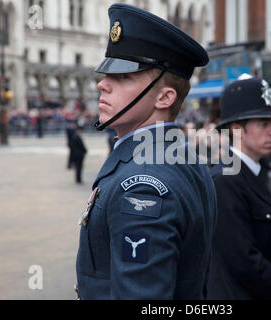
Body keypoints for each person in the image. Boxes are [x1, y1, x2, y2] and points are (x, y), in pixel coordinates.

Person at [75, 3, 217, 300]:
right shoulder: (179, 156)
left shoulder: (142, 184)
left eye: (124, 77)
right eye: (106, 74)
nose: (103, 84)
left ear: (165, 97)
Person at [207, 78, 271, 300]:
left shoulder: (252, 172)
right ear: (237, 129)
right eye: (263, 124)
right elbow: (245, 261)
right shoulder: (226, 180)